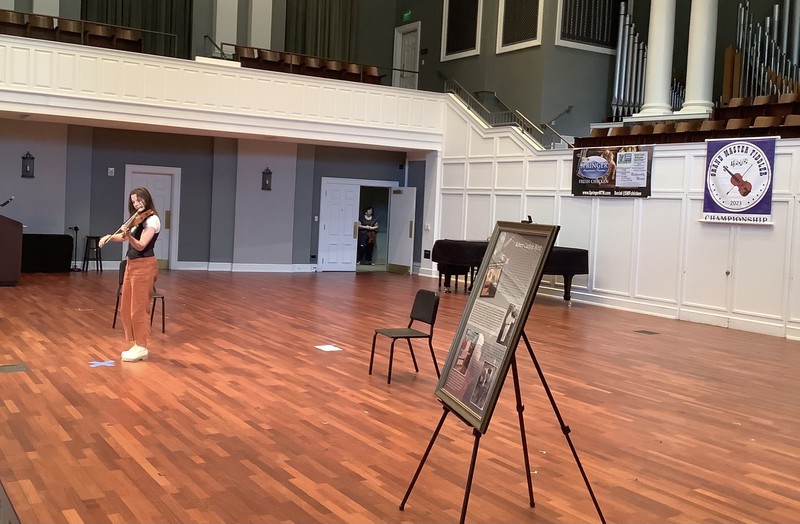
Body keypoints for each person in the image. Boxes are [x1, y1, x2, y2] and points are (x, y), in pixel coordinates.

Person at [99, 187, 161, 363]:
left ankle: (142, 346)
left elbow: (140, 245)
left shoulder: (152, 220)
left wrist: (129, 236)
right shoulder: (136, 219)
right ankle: (136, 343)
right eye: (133, 202)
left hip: (144, 266)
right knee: (126, 307)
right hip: (131, 265)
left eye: (139, 200)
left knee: (138, 309)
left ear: (146, 199)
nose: (136, 204)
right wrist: (110, 236)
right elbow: (125, 237)